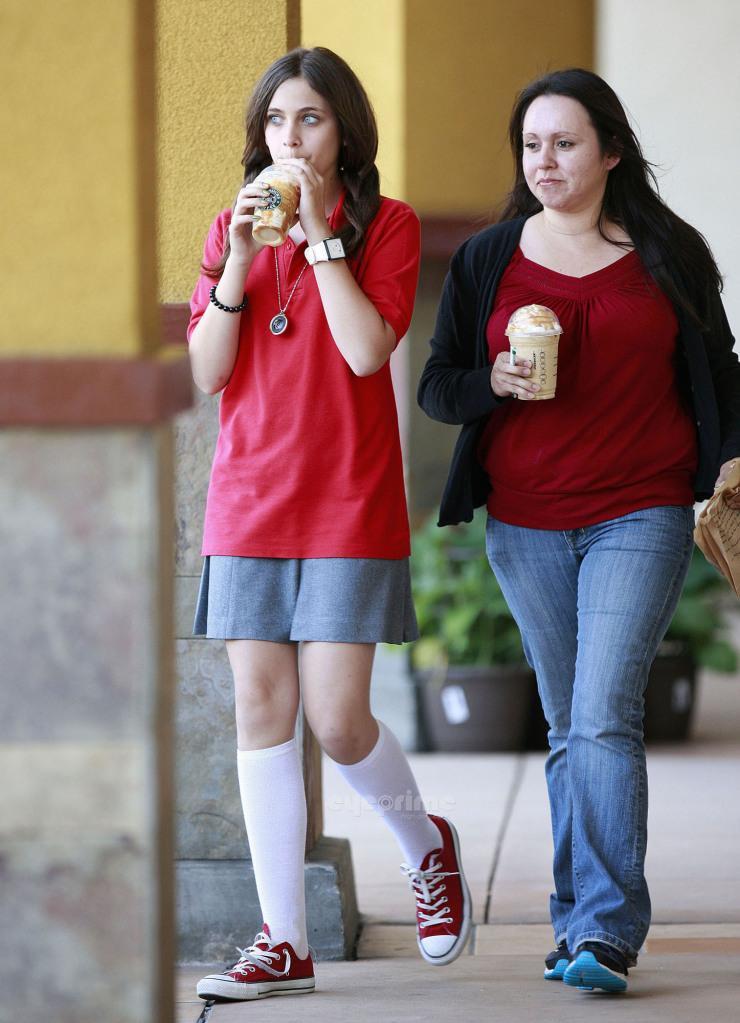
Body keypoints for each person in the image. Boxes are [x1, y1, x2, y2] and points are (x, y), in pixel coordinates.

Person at [418, 68, 740, 994]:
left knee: (603, 714)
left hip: (639, 509)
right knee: (569, 724)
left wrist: (729, 457)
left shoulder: (669, 251)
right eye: (530, 145)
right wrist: (495, 386)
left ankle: (604, 929)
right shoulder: (488, 259)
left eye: (564, 142)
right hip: (525, 521)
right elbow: (439, 384)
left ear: (611, 150)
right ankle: (577, 924)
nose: (545, 161)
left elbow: (721, 367)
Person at [187, 47, 470, 1003]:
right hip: (249, 497)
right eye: (275, 122)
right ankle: (284, 941)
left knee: (338, 719)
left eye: (308, 120)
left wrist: (317, 237)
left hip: (348, 497)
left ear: (344, 130)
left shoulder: (385, 226)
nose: (290, 139)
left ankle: (424, 843)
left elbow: (363, 351)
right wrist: (236, 265)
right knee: (263, 713)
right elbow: (207, 371)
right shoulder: (233, 226)